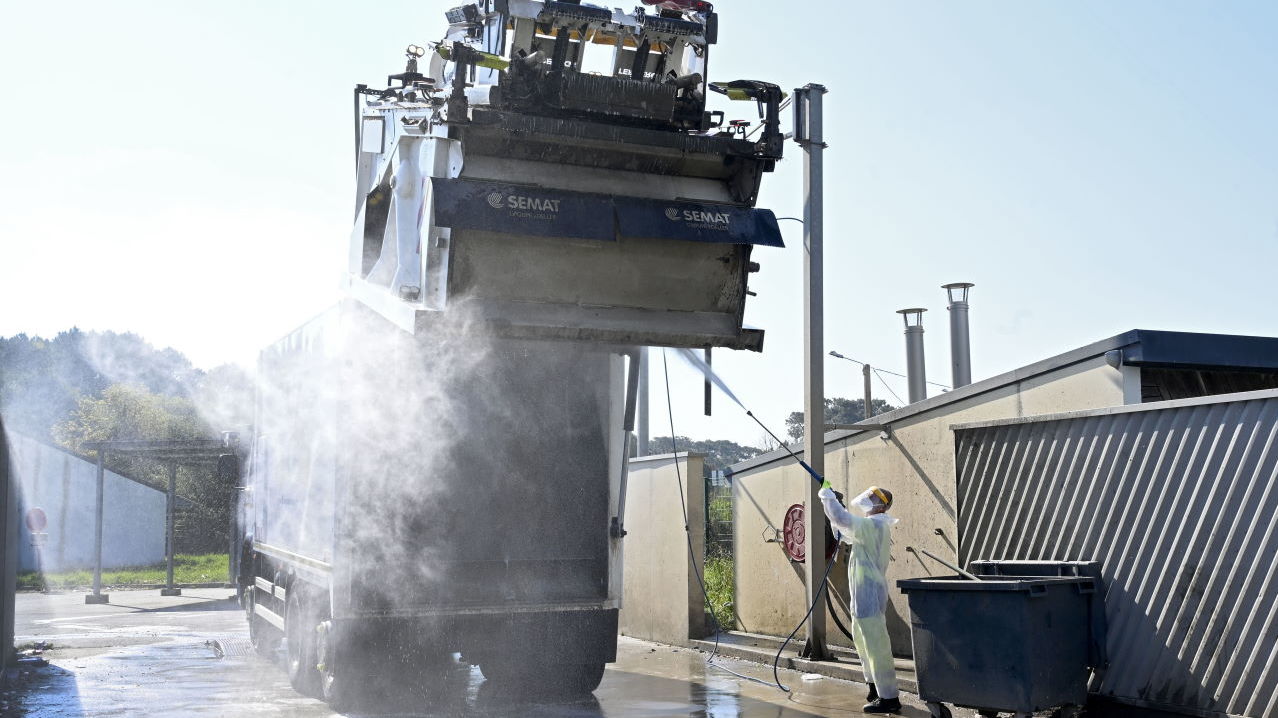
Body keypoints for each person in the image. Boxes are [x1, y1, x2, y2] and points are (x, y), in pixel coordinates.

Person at [819, 480, 901, 714]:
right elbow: (845, 532)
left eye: (872, 499)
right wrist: (836, 504)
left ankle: (889, 698)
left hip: (869, 598)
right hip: (863, 597)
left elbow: (843, 520)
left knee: (876, 646)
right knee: (864, 643)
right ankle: (875, 688)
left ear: (878, 505)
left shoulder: (874, 525)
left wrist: (827, 496)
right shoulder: (871, 526)